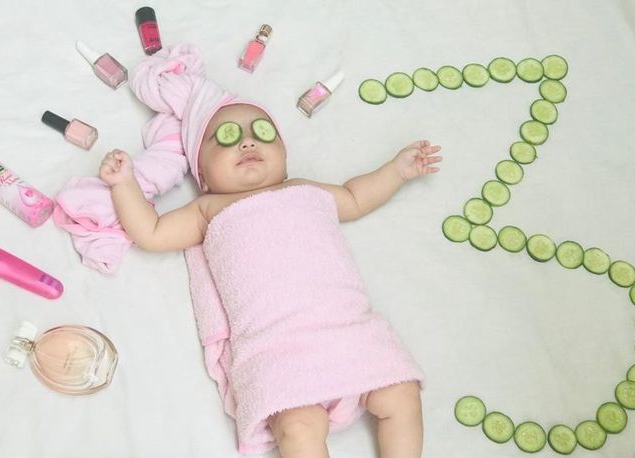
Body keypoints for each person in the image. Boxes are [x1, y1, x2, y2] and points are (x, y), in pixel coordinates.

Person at [98, 98, 442, 458]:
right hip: (278, 350)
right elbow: (151, 232)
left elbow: (356, 197)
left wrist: (397, 171)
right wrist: (124, 184)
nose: (247, 143)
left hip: (349, 329)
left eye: (262, 132)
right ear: (202, 175)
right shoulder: (209, 210)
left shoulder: (305, 189)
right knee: (297, 427)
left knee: (401, 393)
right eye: (226, 137)